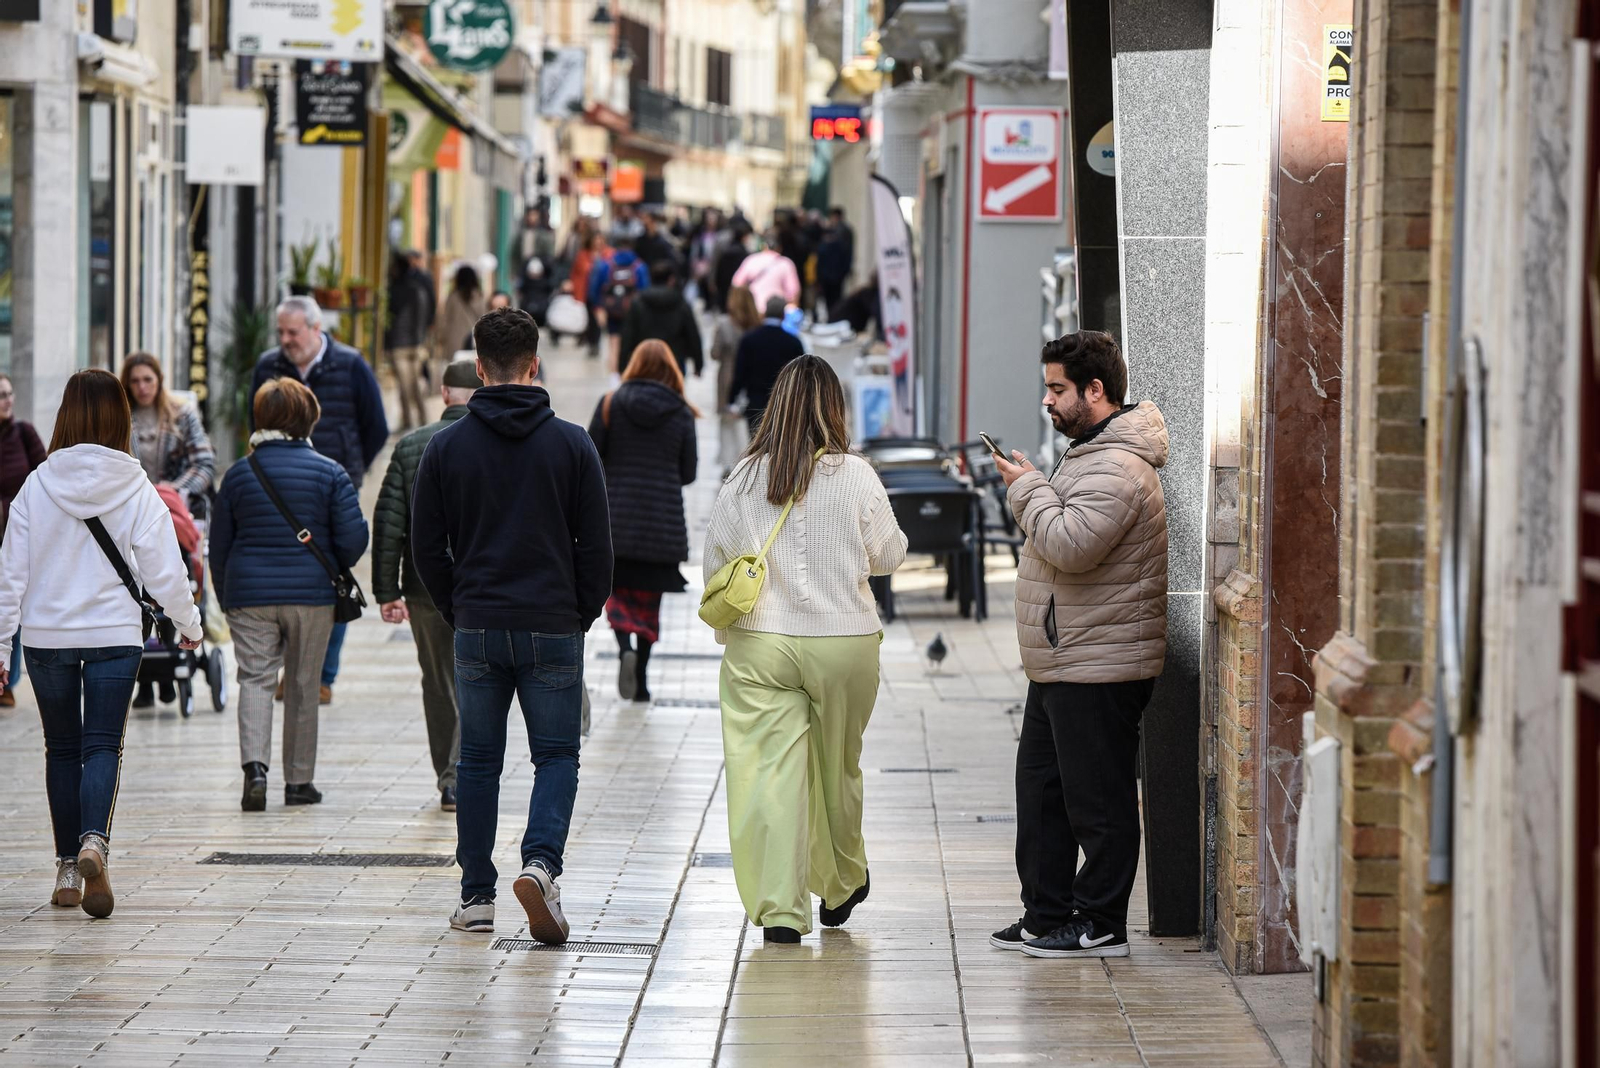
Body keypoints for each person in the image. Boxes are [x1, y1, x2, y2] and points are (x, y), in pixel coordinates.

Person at [411, 308, 612, 942]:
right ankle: (540, 865)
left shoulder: (446, 447)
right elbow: (598, 548)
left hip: (478, 622)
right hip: (552, 621)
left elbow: (425, 547)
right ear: (534, 365)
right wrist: (580, 613)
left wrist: (458, 607)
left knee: (477, 761)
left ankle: (476, 896)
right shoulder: (572, 445)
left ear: (478, 367)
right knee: (556, 755)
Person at [703, 355, 907, 943]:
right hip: (844, 643)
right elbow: (888, 556)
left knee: (767, 776)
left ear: (776, 406)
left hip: (762, 646)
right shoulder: (857, 475)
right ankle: (841, 882)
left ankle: (781, 912)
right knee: (837, 769)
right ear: (834, 409)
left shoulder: (744, 478)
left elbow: (716, 563)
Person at [989, 331, 1169, 960]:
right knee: (1041, 793)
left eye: (1057, 388)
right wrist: (1037, 485)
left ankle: (1101, 923)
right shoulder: (1088, 454)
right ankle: (1045, 915)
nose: (1047, 400)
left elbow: (1071, 545)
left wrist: (1026, 488)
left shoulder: (1119, 466)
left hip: (1101, 663)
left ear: (1096, 390)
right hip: (1064, 659)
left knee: (1099, 802)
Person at [0, 369, 202, 918]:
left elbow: (10, 575)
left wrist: (2, 648)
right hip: (114, 634)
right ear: (120, 417)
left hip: (47, 637)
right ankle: (95, 841)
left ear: (65, 415)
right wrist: (189, 624)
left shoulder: (36, 485)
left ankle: (68, 869)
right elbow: (165, 571)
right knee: (102, 745)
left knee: (61, 748)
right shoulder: (135, 486)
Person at [213, 378, 367, 812]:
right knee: (302, 684)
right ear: (307, 419)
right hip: (311, 596)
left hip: (249, 595)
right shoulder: (330, 472)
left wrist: (227, 596)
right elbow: (353, 542)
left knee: (255, 679)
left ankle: (255, 771)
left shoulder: (238, 475)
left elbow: (219, 544)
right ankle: (299, 782)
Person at [252, 296, 387, 704]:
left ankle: (323, 676)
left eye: (293, 332)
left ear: (315, 328)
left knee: (334, 576)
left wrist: (351, 466)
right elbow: (253, 421)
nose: (285, 340)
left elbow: (376, 426)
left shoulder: (350, 364)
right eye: (280, 332)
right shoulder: (268, 366)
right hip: (278, 490)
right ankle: (290, 670)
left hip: (335, 487)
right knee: (285, 578)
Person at [372, 359, 484, 813]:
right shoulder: (493, 442)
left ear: (444, 394)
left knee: (438, 683)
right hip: (482, 587)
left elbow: (389, 523)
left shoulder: (411, 445)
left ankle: (449, 778)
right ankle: (461, 771)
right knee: (475, 681)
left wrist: (386, 591)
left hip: (423, 588)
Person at [588, 340, 697, 704]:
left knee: (617, 593)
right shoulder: (680, 411)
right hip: (660, 526)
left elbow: (590, 458)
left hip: (617, 520)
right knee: (649, 602)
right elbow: (689, 472)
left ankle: (624, 650)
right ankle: (643, 681)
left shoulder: (610, 403)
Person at [120, 353, 215, 517]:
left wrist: (172, 490)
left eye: (148, 379)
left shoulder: (182, 415)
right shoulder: (120, 418)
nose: (142, 387)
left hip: (176, 510)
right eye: (135, 381)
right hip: (132, 510)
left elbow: (204, 463)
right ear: (127, 384)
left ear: (159, 379)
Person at [0, 374, 45, 708]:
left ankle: (8, 681)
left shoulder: (24, 433)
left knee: (11, 606)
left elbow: (45, 478)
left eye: (8, 393)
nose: (6, 400)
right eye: (0, 395)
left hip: (18, 538)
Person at [730, 296, 806, 434]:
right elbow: (801, 376)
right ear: (783, 316)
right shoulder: (793, 342)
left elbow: (740, 372)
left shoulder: (749, 339)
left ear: (765, 313)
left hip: (755, 401)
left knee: (756, 440)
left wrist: (732, 398)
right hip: (783, 403)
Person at [617, 260, 704, 378]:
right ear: (671, 279)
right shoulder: (680, 302)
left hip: (644, 361)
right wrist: (698, 364)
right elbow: (692, 333)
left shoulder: (638, 303)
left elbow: (627, 334)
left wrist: (622, 365)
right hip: (674, 361)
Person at [711, 286, 761, 473]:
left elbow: (715, 353)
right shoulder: (757, 325)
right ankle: (745, 458)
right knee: (747, 422)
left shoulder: (724, 324)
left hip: (727, 377)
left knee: (727, 423)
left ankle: (727, 463)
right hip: (751, 377)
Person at [386, 252, 435, 432]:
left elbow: (389, 319)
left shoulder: (394, 290)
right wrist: (421, 339)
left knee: (405, 384)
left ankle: (408, 420)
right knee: (414, 383)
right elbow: (426, 315)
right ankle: (423, 418)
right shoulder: (419, 289)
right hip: (416, 343)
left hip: (399, 344)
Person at [588, 235, 651, 375]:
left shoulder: (606, 265)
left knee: (614, 344)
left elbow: (594, 289)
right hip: (633, 312)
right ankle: (630, 374)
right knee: (633, 344)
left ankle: (615, 377)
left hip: (612, 311)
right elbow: (645, 291)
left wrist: (598, 308)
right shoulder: (639, 266)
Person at [732, 241, 801, 313]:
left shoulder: (751, 260)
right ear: (779, 249)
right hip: (776, 310)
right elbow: (793, 291)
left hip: (753, 309)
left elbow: (737, 283)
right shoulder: (785, 263)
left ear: (763, 247)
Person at [436, 264, 487, 359]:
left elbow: (445, 319)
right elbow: (484, 318)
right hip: (473, 339)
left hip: (454, 339)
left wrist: (441, 337)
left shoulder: (453, 297)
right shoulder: (480, 297)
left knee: (455, 365)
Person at [816, 208, 855, 321]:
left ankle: (832, 318)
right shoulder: (843, 231)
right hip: (835, 273)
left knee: (831, 299)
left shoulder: (837, 233)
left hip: (831, 273)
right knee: (835, 299)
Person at [709, 219, 752, 314]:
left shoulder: (726, 251)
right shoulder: (745, 254)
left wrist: (714, 281)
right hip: (737, 290)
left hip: (724, 289)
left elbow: (717, 267)